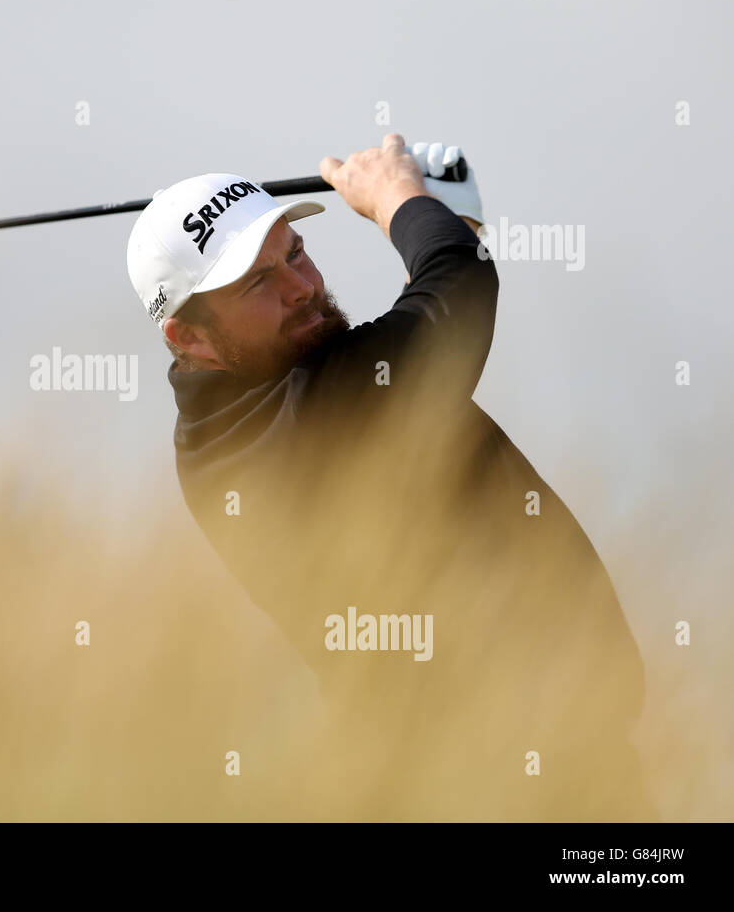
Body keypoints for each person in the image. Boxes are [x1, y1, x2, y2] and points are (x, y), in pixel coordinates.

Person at [126, 134, 655, 820]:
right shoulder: (300, 420)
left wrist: (445, 217)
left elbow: (412, 340)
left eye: (294, 254)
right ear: (186, 336)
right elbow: (452, 303)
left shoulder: (231, 421)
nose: (302, 287)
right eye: (258, 282)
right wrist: (400, 199)